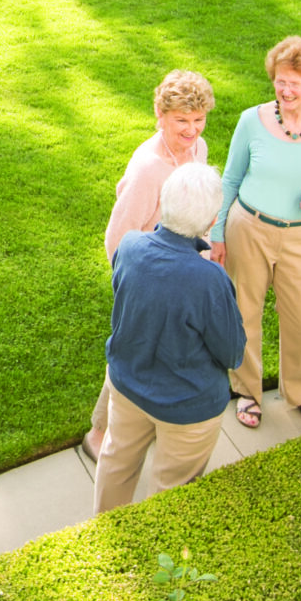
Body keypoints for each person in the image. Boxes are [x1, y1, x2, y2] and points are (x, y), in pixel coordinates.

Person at [94, 162, 248, 513]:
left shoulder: (130, 246)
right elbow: (232, 353)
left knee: (116, 464)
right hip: (187, 407)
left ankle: (102, 540)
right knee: (170, 498)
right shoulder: (210, 279)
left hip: (127, 388)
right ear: (211, 222)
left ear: (163, 203)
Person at [209, 36, 301, 430]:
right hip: (248, 229)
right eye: (280, 81)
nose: (286, 90)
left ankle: (299, 391)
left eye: (295, 84)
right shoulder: (252, 120)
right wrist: (217, 232)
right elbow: (231, 178)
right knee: (245, 313)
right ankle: (247, 392)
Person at [85, 70, 216, 459]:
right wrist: (131, 284)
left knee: (169, 349)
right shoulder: (148, 168)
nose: (192, 130)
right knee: (132, 352)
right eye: (182, 121)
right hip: (147, 276)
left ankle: (150, 421)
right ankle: (100, 432)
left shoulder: (199, 150)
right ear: (160, 114)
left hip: (184, 271)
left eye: (198, 119)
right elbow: (118, 235)